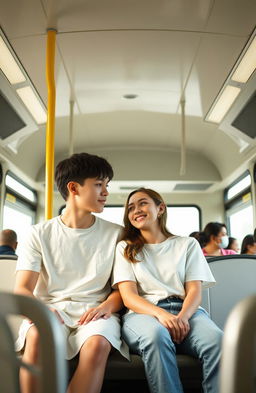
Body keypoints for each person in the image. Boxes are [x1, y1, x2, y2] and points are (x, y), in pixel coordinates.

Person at [14, 152, 128, 393]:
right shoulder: (38, 234)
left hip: (97, 311)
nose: (106, 192)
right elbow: (22, 289)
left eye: (107, 185)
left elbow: (121, 291)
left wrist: (104, 308)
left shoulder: (117, 234)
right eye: (99, 185)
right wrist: (43, 310)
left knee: (97, 345)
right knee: (36, 338)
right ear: (74, 188)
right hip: (51, 308)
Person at [113, 188, 223, 393]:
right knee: (156, 336)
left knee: (218, 342)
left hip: (187, 311)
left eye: (143, 203)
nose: (136, 210)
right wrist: (163, 315)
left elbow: (194, 292)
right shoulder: (125, 248)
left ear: (160, 208)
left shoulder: (187, 244)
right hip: (144, 314)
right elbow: (129, 297)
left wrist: (182, 318)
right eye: (130, 208)